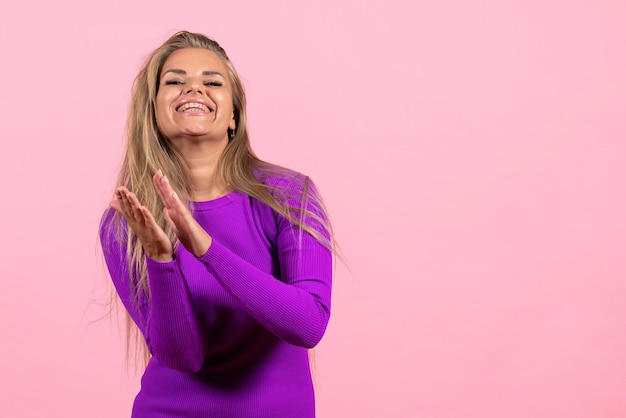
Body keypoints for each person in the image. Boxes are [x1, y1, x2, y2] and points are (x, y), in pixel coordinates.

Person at [99, 31, 334, 417]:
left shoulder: (290, 196)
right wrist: (162, 259)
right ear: (154, 112)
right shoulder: (126, 223)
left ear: (234, 116)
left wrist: (206, 248)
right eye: (174, 81)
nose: (194, 88)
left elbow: (308, 324)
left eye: (212, 82)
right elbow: (185, 356)